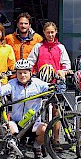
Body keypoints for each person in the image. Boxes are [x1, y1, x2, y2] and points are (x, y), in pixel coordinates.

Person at [27, 21, 71, 149]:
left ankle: (56, 139)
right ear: (44, 33)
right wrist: (32, 73)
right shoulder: (38, 46)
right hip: (41, 84)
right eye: (48, 32)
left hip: (56, 83)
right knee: (39, 111)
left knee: (57, 112)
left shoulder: (60, 47)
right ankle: (39, 138)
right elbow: (30, 63)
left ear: (56, 32)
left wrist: (63, 71)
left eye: (52, 32)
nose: (50, 35)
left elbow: (66, 65)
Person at [0, 59, 49, 159]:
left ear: (30, 72)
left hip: (33, 123)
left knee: (45, 129)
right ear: (16, 73)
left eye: (25, 72)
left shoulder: (37, 83)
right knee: (7, 127)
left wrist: (60, 79)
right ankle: (12, 147)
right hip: (17, 122)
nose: (22, 75)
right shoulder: (12, 83)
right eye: (19, 73)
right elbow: (0, 92)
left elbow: (51, 87)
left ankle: (36, 146)